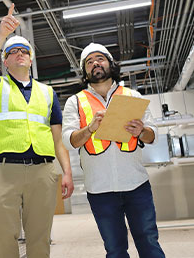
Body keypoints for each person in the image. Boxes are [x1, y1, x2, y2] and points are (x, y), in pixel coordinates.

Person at [0, 4, 74, 258]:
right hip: (5, 170)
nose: (19, 54)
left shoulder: (48, 93)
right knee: (4, 236)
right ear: (5, 61)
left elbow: (57, 140)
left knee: (40, 237)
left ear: (31, 59)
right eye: (13, 51)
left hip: (43, 171)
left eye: (24, 51)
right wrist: (0, 37)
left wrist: (67, 173)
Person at [62, 42, 165, 258]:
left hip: (136, 185)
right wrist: (89, 129)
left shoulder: (132, 95)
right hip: (100, 190)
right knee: (115, 250)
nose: (95, 64)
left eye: (100, 58)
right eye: (89, 62)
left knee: (149, 243)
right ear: (85, 71)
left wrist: (141, 131)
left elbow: (153, 135)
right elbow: (69, 139)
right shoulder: (75, 101)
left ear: (110, 63)